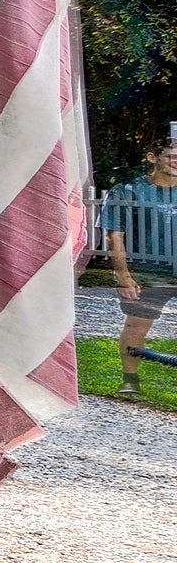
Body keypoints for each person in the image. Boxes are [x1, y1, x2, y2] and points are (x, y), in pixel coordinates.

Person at [100, 125, 177, 396]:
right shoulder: (128, 191)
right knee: (136, 327)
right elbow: (114, 236)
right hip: (147, 274)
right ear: (152, 157)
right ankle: (130, 381)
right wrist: (123, 276)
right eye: (171, 156)